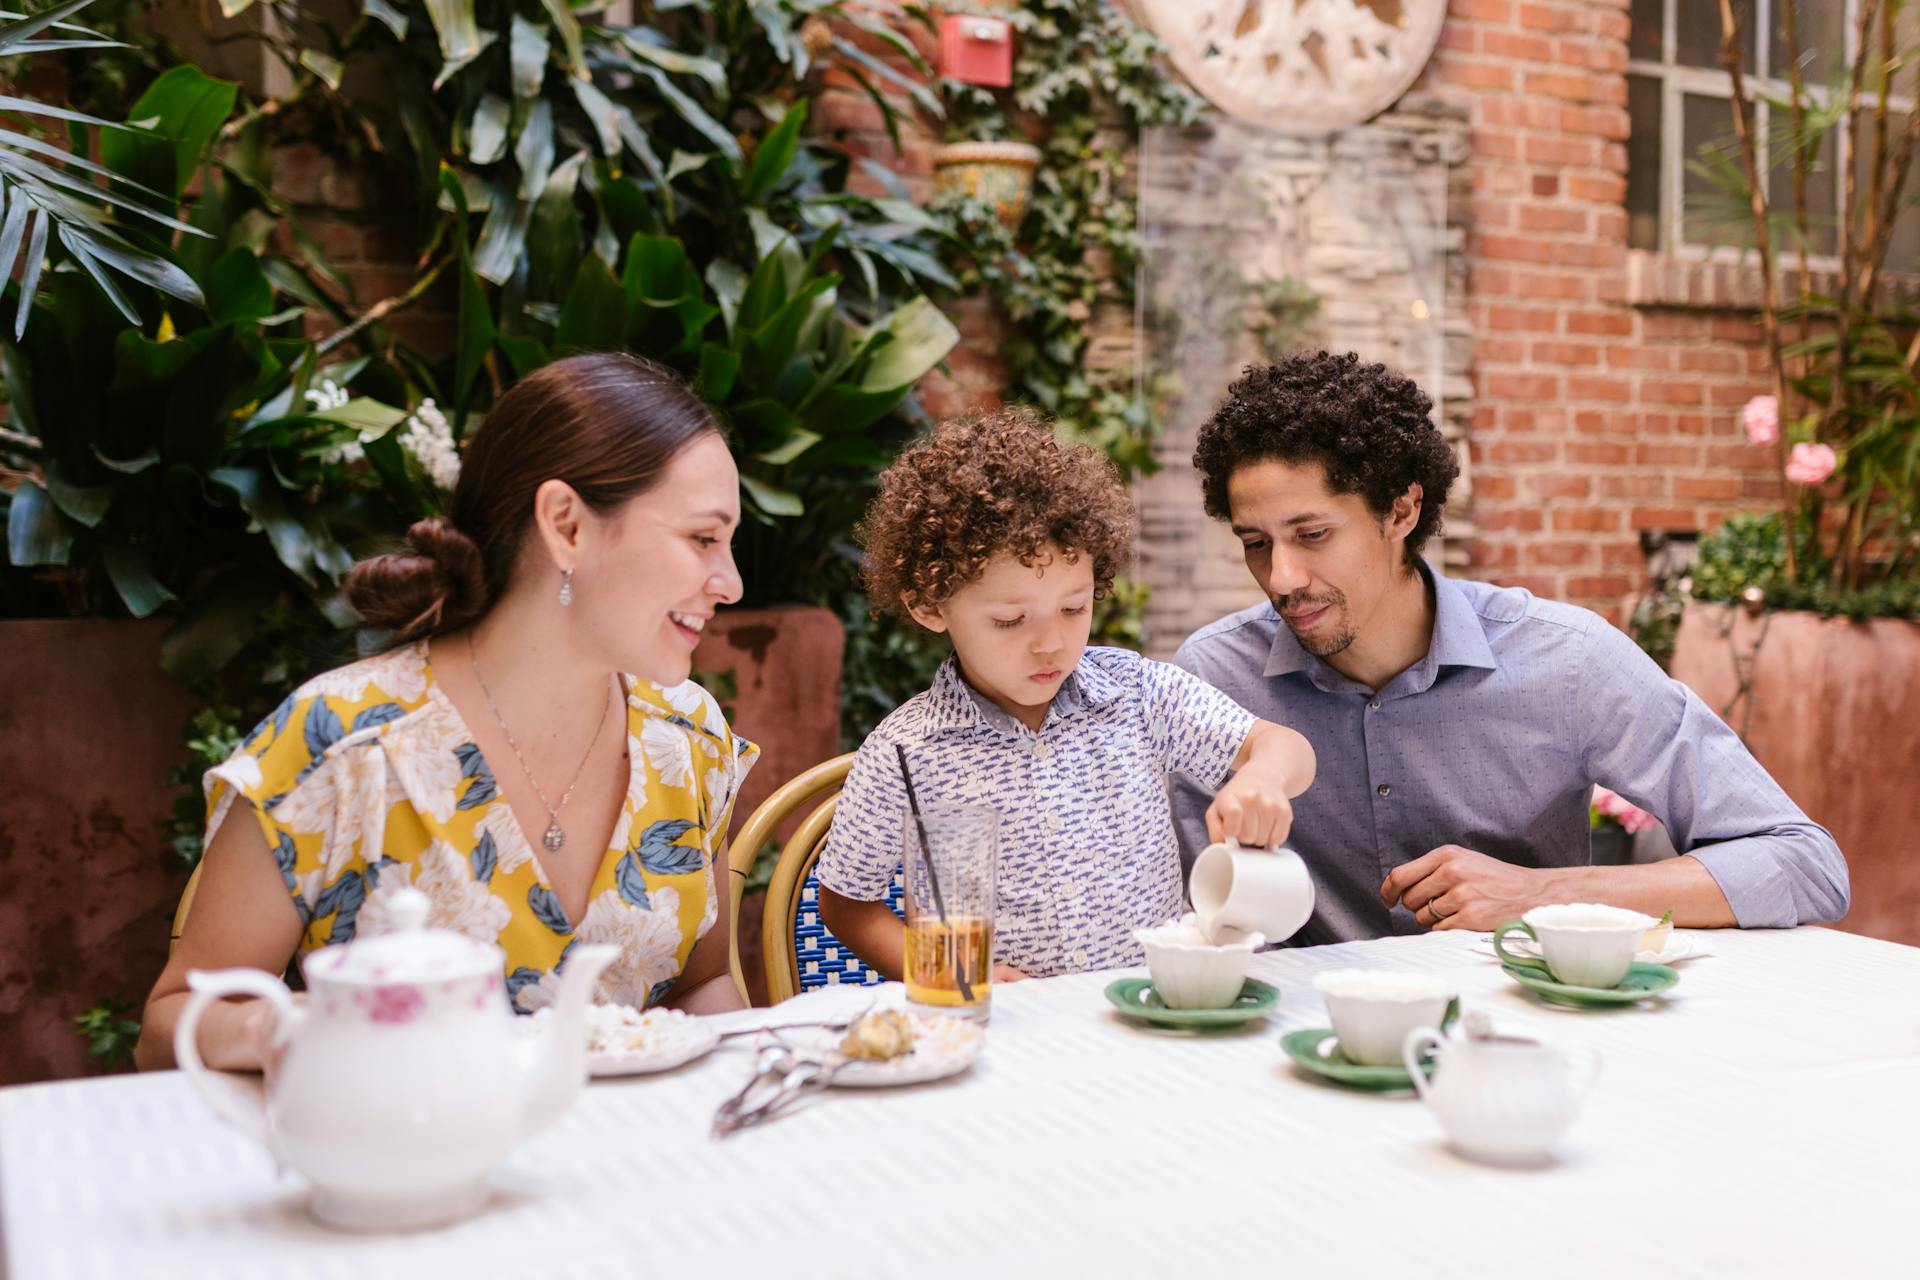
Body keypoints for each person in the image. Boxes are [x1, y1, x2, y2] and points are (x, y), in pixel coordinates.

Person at [136, 353, 757, 1072]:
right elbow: (168, 1028)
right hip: (409, 1168)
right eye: (704, 538)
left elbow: (704, 984)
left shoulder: (689, 737)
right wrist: (281, 1030)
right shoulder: (341, 745)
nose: (731, 583)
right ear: (567, 526)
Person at [1169, 351, 1850, 945]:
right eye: (1255, 544)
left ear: (1401, 512)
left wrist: (1540, 897)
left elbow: (1803, 864)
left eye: (1312, 534)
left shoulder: (1566, 660)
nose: (1281, 578)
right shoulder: (1215, 677)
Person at [817, 408, 1316, 979]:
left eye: (1074, 608)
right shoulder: (904, 753)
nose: (1050, 643)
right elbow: (847, 903)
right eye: (1010, 620)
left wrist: (1261, 777)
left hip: (1142, 1019)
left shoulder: (1138, 695)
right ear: (930, 607)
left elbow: (1283, 747)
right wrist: (949, 970)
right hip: (1005, 1041)